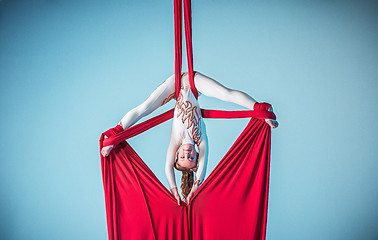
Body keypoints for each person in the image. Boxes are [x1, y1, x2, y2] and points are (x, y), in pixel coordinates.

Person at [101, 72, 278, 205]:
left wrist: (174, 191)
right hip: (194, 84)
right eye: (192, 158)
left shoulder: (175, 141)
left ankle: (114, 134)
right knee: (226, 93)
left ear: (176, 155)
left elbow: (167, 168)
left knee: (145, 107)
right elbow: (204, 165)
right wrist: (195, 188)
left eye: (183, 157)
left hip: (175, 87)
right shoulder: (201, 139)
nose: (187, 153)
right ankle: (261, 109)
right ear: (196, 157)